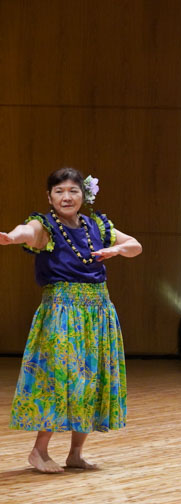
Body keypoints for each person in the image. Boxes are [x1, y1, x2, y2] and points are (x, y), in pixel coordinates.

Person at [0, 168, 142, 473]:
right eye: (59, 191)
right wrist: (12, 237)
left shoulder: (98, 226)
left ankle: (76, 453)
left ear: (83, 195)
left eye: (73, 191)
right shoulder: (46, 226)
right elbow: (27, 233)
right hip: (62, 312)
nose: (66, 197)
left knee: (90, 381)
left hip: (98, 311)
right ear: (49, 197)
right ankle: (39, 452)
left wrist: (116, 249)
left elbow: (135, 246)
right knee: (58, 378)